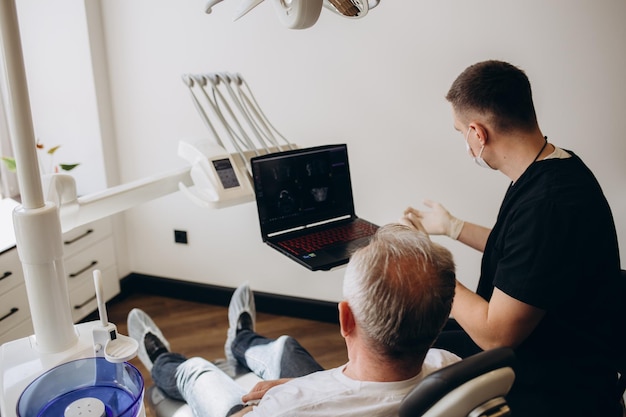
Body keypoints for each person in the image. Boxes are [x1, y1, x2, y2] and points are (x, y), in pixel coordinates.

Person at [401, 60, 624, 417]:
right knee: (409, 342)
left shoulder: (549, 204)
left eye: (460, 131)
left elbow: (495, 334)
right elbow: (527, 254)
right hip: (549, 350)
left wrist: (426, 264)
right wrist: (452, 226)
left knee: (404, 357)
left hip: (556, 387)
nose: (464, 140)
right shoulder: (554, 166)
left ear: (478, 132)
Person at [128, 224, 459, 417]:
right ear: (443, 316)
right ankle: (241, 342)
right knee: (285, 347)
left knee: (198, 371)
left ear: (345, 319)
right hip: (332, 391)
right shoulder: (450, 367)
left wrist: (293, 395)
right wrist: (307, 385)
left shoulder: (286, 408)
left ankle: (163, 362)